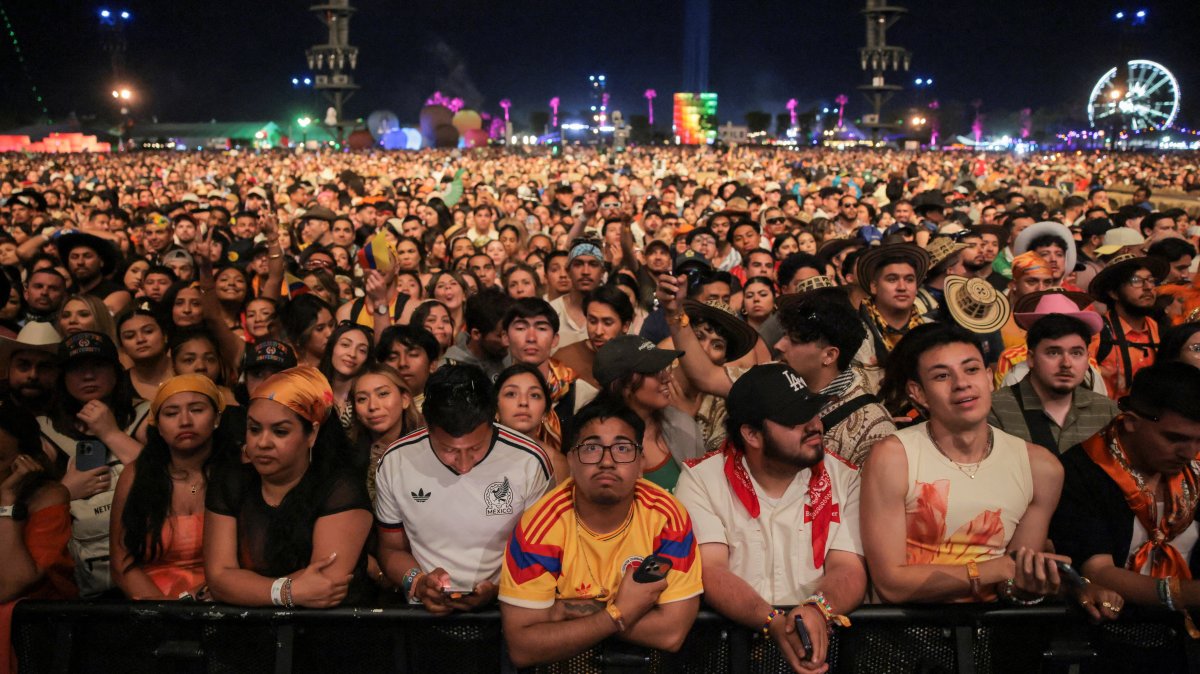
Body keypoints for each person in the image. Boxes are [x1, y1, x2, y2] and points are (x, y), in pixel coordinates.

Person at [861, 323, 1077, 606]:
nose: (961, 383)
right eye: (941, 375)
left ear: (990, 378)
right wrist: (996, 569)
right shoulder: (893, 456)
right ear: (918, 393)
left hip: (991, 637)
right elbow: (891, 584)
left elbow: (1012, 585)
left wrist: (1034, 583)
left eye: (971, 369)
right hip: (904, 637)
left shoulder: (1040, 468)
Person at [675, 364, 867, 674]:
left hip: (822, 654)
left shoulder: (847, 479)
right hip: (726, 656)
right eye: (795, 420)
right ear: (751, 434)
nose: (814, 426)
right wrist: (772, 622)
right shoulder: (701, 480)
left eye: (814, 412)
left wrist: (818, 609)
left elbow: (849, 570)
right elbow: (709, 571)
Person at [498, 396, 702, 668]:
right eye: (592, 448)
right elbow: (523, 648)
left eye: (622, 448)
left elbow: (671, 633)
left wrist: (567, 610)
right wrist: (619, 612)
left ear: (641, 462)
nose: (607, 461)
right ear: (571, 459)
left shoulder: (667, 517)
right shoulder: (538, 528)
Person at [375, 364, 551, 613]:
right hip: (424, 614)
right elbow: (391, 548)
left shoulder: (529, 461)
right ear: (428, 427)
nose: (465, 464)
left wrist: (499, 588)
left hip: (510, 611)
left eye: (476, 448)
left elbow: (543, 553)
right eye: (449, 450)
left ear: (493, 420)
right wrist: (418, 581)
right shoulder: (397, 461)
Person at [1050, 363, 1200, 637]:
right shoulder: (1081, 471)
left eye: (1198, 440)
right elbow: (1098, 572)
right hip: (1108, 636)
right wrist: (1184, 593)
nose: (1189, 452)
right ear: (1131, 422)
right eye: (1175, 438)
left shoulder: (1194, 471)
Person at [205, 366, 373, 608]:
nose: (262, 443)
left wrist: (243, 588)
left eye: (280, 431)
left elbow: (323, 586)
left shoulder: (340, 489)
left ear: (312, 434)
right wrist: (286, 592)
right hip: (247, 629)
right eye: (254, 429)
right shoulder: (230, 481)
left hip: (326, 631)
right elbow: (219, 579)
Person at [39, 332, 150, 597]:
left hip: (146, 565)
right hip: (78, 578)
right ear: (63, 378)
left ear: (116, 371)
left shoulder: (146, 415)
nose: (88, 376)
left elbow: (172, 479)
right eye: (77, 369)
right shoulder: (44, 430)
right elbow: (24, 512)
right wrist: (65, 491)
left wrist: (110, 433)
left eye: (98, 366)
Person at [109, 375, 230, 599]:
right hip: (151, 608)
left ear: (217, 418)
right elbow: (121, 563)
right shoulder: (136, 475)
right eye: (171, 413)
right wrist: (164, 612)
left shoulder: (237, 471)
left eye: (196, 410)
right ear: (159, 427)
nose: (184, 421)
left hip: (221, 602)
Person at [0, 397, 75, 672]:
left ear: (26, 460)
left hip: (38, 637)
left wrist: (7, 502)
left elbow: (10, 585)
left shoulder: (49, 495)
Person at [989, 310, 1119, 454]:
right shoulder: (996, 409)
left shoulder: (1106, 411)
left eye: (1076, 353)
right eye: (1053, 353)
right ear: (1031, 359)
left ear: (1087, 359)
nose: (1066, 363)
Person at [593, 335, 704, 489]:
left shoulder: (683, 426)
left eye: (665, 368)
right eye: (653, 371)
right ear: (623, 386)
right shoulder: (592, 441)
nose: (667, 377)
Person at [852, 243, 932, 394]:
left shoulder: (931, 330)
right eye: (892, 279)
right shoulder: (855, 335)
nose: (902, 287)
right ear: (874, 287)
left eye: (909, 280)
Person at [1088, 254, 1170, 399]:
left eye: (1151, 280)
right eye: (1136, 281)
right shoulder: (1098, 333)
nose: (1148, 287)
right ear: (1114, 293)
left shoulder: (1162, 331)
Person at [350, 362, 421, 507]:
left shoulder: (428, 447)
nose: (373, 406)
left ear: (405, 399)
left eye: (383, 394)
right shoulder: (347, 454)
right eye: (362, 399)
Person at [494, 363, 566, 481]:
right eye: (511, 394)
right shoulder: (473, 454)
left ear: (545, 412)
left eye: (534, 395)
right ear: (495, 409)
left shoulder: (555, 463)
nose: (523, 402)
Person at [552, 285, 634, 389]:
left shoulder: (637, 361)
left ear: (625, 326)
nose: (598, 331)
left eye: (607, 323)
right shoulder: (564, 361)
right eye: (592, 321)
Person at [441, 287, 512, 380]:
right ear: (476, 334)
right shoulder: (449, 370)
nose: (507, 342)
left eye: (509, 333)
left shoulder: (512, 358)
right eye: (500, 336)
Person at [550, 240, 606, 350]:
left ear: (602, 272)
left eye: (593, 264)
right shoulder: (550, 311)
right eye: (578, 264)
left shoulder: (614, 314)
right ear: (568, 271)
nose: (585, 271)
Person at [317, 322, 374, 430]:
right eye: (345, 345)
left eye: (362, 350)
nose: (352, 354)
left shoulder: (369, 398)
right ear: (332, 348)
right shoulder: (311, 389)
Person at [0, 321, 61, 417]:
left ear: (57, 372)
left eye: (44, 367)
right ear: (9, 368)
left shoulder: (71, 413)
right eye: (24, 365)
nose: (33, 375)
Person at [117, 310, 175, 402]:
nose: (140, 339)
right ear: (122, 348)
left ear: (165, 336)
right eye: (130, 336)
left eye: (148, 331)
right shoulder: (118, 385)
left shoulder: (187, 370)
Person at [279, 294, 335, 369]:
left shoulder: (341, 365)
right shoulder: (290, 374)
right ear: (299, 335)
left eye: (331, 324)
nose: (330, 333)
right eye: (320, 328)